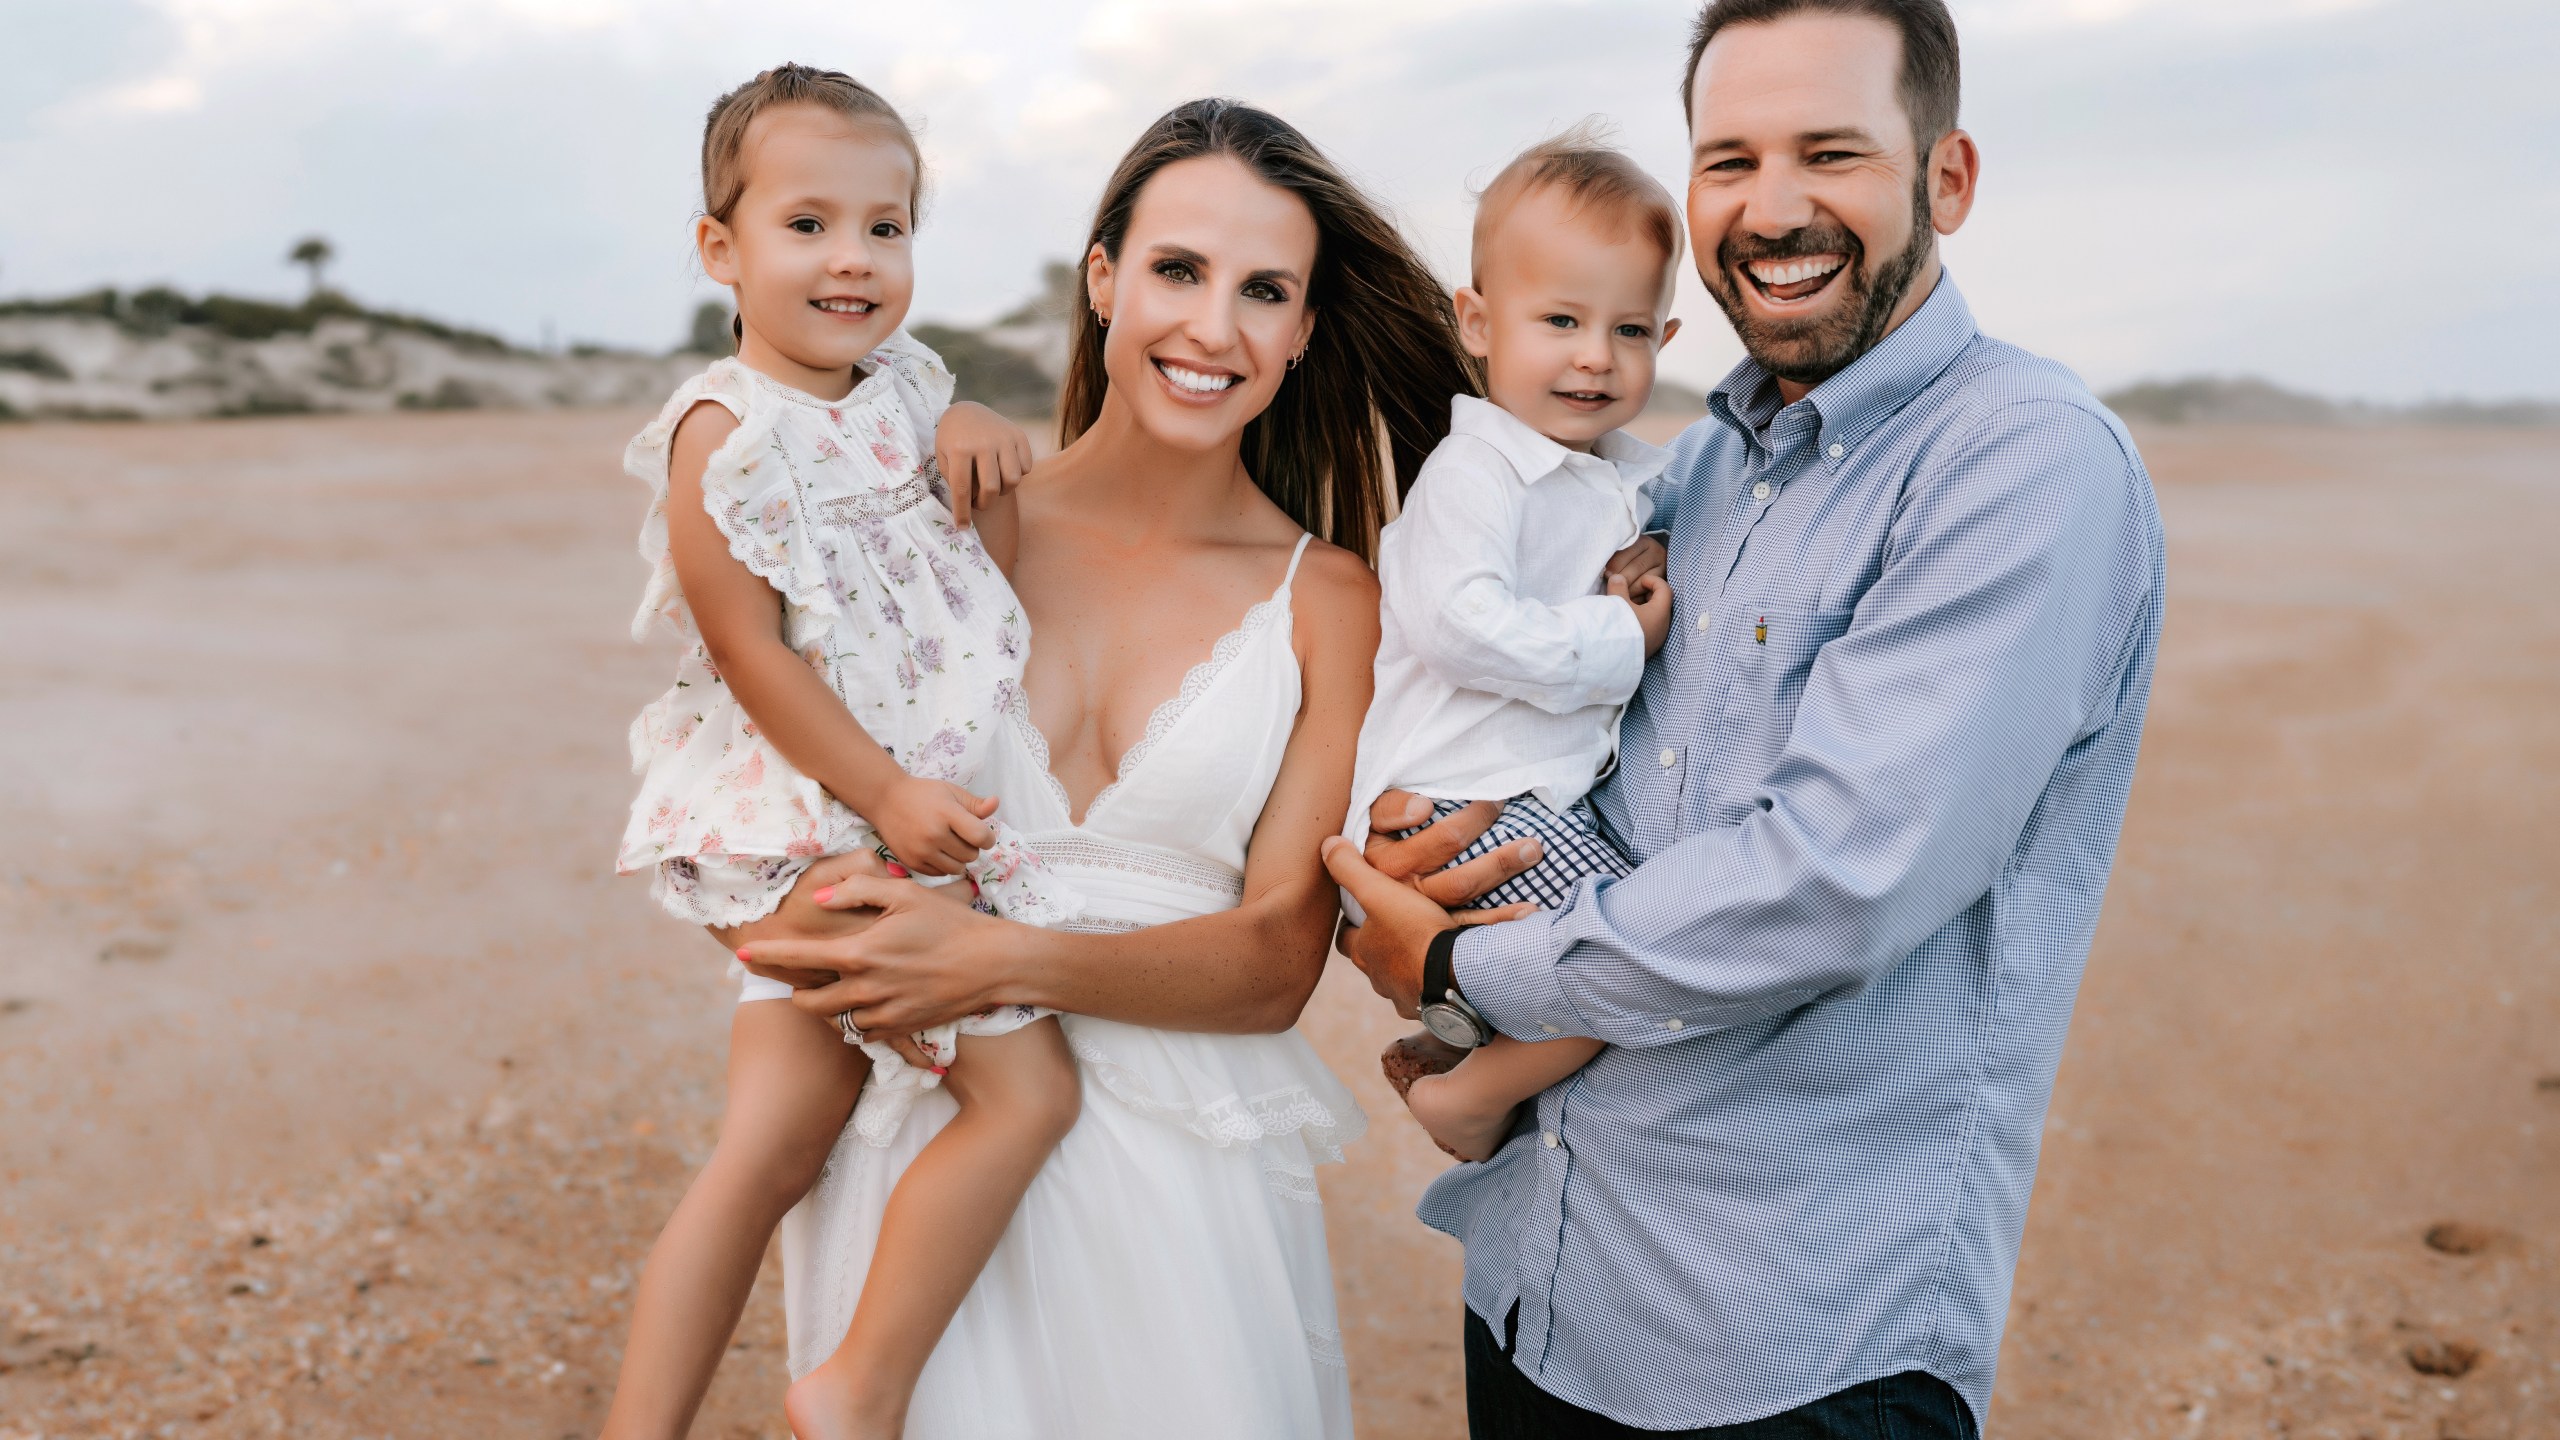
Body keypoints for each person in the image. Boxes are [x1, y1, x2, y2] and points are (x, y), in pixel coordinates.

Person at [1326, 1, 2169, 1435]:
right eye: (1729, 161)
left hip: (1786, 1345)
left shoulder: (2022, 464)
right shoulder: (1690, 469)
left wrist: (1468, 958)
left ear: (1945, 179)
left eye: (1829, 152)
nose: (1771, 209)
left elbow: (1834, 881)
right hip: (1539, 1280)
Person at [729, 98, 1478, 1438]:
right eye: (1178, 271)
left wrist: (1001, 963)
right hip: (928, 1160)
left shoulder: (1331, 602)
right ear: (1104, 279)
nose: (1214, 328)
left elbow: (1268, 966)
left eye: (1265, 292)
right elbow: (777, 786)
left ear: (1304, 332)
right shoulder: (950, 518)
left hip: (1190, 1182)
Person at [601, 64, 1082, 1440]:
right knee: (1026, 1087)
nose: (852, 260)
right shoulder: (726, 434)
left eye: (887, 227)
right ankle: (855, 1391)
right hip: (808, 822)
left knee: (770, 1148)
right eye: (807, 225)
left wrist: (976, 417)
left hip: (888, 805)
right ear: (722, 249)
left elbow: (959, 532)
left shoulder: (907, 385)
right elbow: (754, 656)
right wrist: (881, 795)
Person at [1347, 130, 1686, 1163]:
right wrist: (1617, 636)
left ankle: (1454, 1047)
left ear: (1665, 337)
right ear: (1479, 322)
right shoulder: (1476, 471)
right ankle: (1470, 1094)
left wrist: (1659, 541)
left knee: (1622, 940)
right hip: (1458, 795)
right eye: (1562, 321)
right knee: (1632, 955)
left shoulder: (1623, 470)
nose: (1596, 355)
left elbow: (1654, 524)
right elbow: (1458, 622)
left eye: (1628, 329)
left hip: (1519, 788)